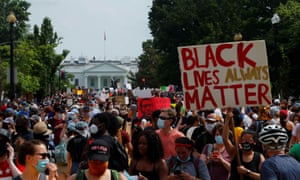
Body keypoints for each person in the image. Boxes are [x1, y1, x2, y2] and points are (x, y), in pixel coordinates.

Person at [222, 111, 264, 180]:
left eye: (249, 140)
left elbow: (263, 177)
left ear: (254, 142)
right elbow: (225, 139)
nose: (246, 141)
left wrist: (247, 172)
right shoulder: (235, 153)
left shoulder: (259, 157)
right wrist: (227, 121)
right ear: (240, 141)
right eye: (244, 139)